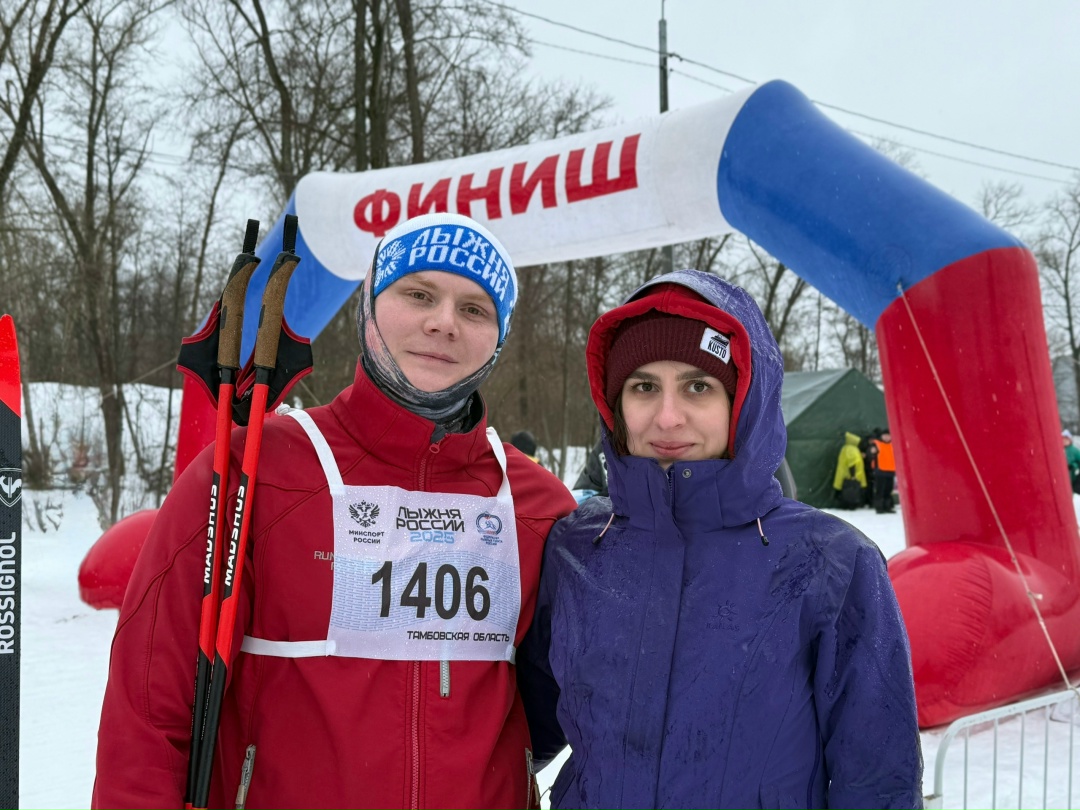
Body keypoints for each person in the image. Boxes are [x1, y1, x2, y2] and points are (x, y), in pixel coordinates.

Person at [92, 212, 578, 809]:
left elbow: (555, 709)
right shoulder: (253, 471)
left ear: (497, 338)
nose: (443, 322)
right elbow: (149, 709)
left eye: (475, 309)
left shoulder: (537, 506)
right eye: (418, 293)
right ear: (368, 310)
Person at [518, 270, 922, 810]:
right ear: (614, 406)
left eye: (697, 386)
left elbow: (878, 782)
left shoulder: (831, 562)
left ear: (744, 402)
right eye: (643, 387)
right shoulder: (578, 550)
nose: (667, 416)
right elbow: (526, 733)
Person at [833, 430, 867, 509]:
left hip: (844, 473)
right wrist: (853, 475)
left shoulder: (846, 448)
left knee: (845, 490)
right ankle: (851, 505)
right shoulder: (852, 449)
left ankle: (845, 504)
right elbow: (852, 463)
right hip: (851, 475)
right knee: (851, 490)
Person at [872, 427, 897, 513]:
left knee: (888, 491)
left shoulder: (893, 445)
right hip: (880, 472)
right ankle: (879, 508)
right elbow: (870, 454)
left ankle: (888, 507)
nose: (886, 437)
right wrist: (871, 452)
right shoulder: (877, 444)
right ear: (882, 436)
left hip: (890, 472)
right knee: (880, 490)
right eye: (885, 435)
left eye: (888, 436)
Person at [1063, 429, 1080, 494]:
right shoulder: (1059, 449)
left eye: (1066, 439)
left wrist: (1074, 466)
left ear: (1070, 440)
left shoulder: (1074, 450)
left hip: (1072, 476)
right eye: (1063, 438)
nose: (1064, 440)